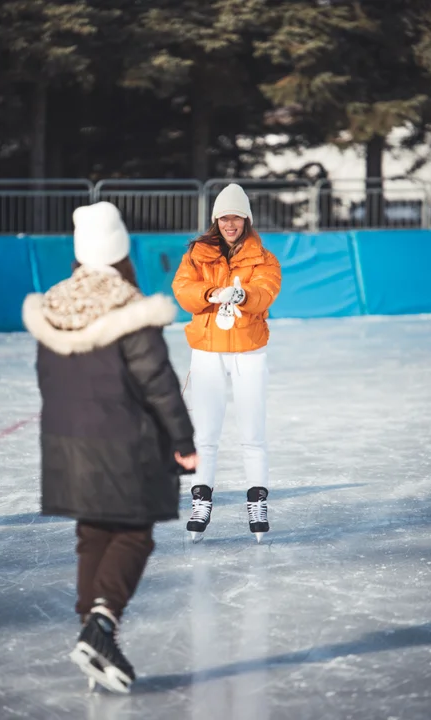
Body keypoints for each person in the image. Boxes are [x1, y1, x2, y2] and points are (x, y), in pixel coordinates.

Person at [22, 201, 197, 694]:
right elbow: (158, 385)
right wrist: (182, 442)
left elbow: (46, 379)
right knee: (135, 530)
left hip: (64, 445)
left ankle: (90, 631)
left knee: (92, 529)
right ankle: (101, 622)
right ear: (121, 250)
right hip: (122, 442)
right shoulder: (128, 307)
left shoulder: (53, 305)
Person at [172, 183, 282, 542]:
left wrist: (244, 294)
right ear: (215, 219)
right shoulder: (196, 254)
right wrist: (211, 293)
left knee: (253, 432)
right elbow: (183, 290)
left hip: (249, 350)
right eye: (224, 217)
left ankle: (257, 500)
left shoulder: (263, 258)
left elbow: (267, 291)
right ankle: (201, 500)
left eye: (236, 216)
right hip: (207, 350)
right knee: (205, 433)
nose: (230, 223)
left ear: (246, 219)